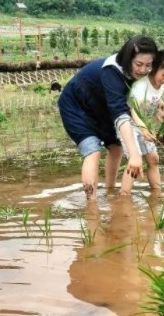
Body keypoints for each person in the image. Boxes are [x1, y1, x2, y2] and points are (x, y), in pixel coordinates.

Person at [58, 35, 158, 199]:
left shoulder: (138, 74)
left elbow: (133, 101)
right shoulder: (112, 70)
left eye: (148, 65)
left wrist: (157, 107)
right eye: (138, 64)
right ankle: (91, 204)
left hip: (101, 106)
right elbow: (120, 114)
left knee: (116, 148)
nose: (142, 70)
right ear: (128, 59)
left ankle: (110, 191)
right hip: (76, 105)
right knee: (93, 151)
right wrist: (134, 155)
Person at [119, 48, 164, 195]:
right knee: (135, 162)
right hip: (127, 123)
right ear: (155, 67)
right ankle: (124, 197)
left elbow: (148, 104)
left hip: (142, 123)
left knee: (153, 159)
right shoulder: (141, 84)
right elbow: (130, 108)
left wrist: (159, 112)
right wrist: (142, 128)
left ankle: (157, 194)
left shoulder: (162, 84)